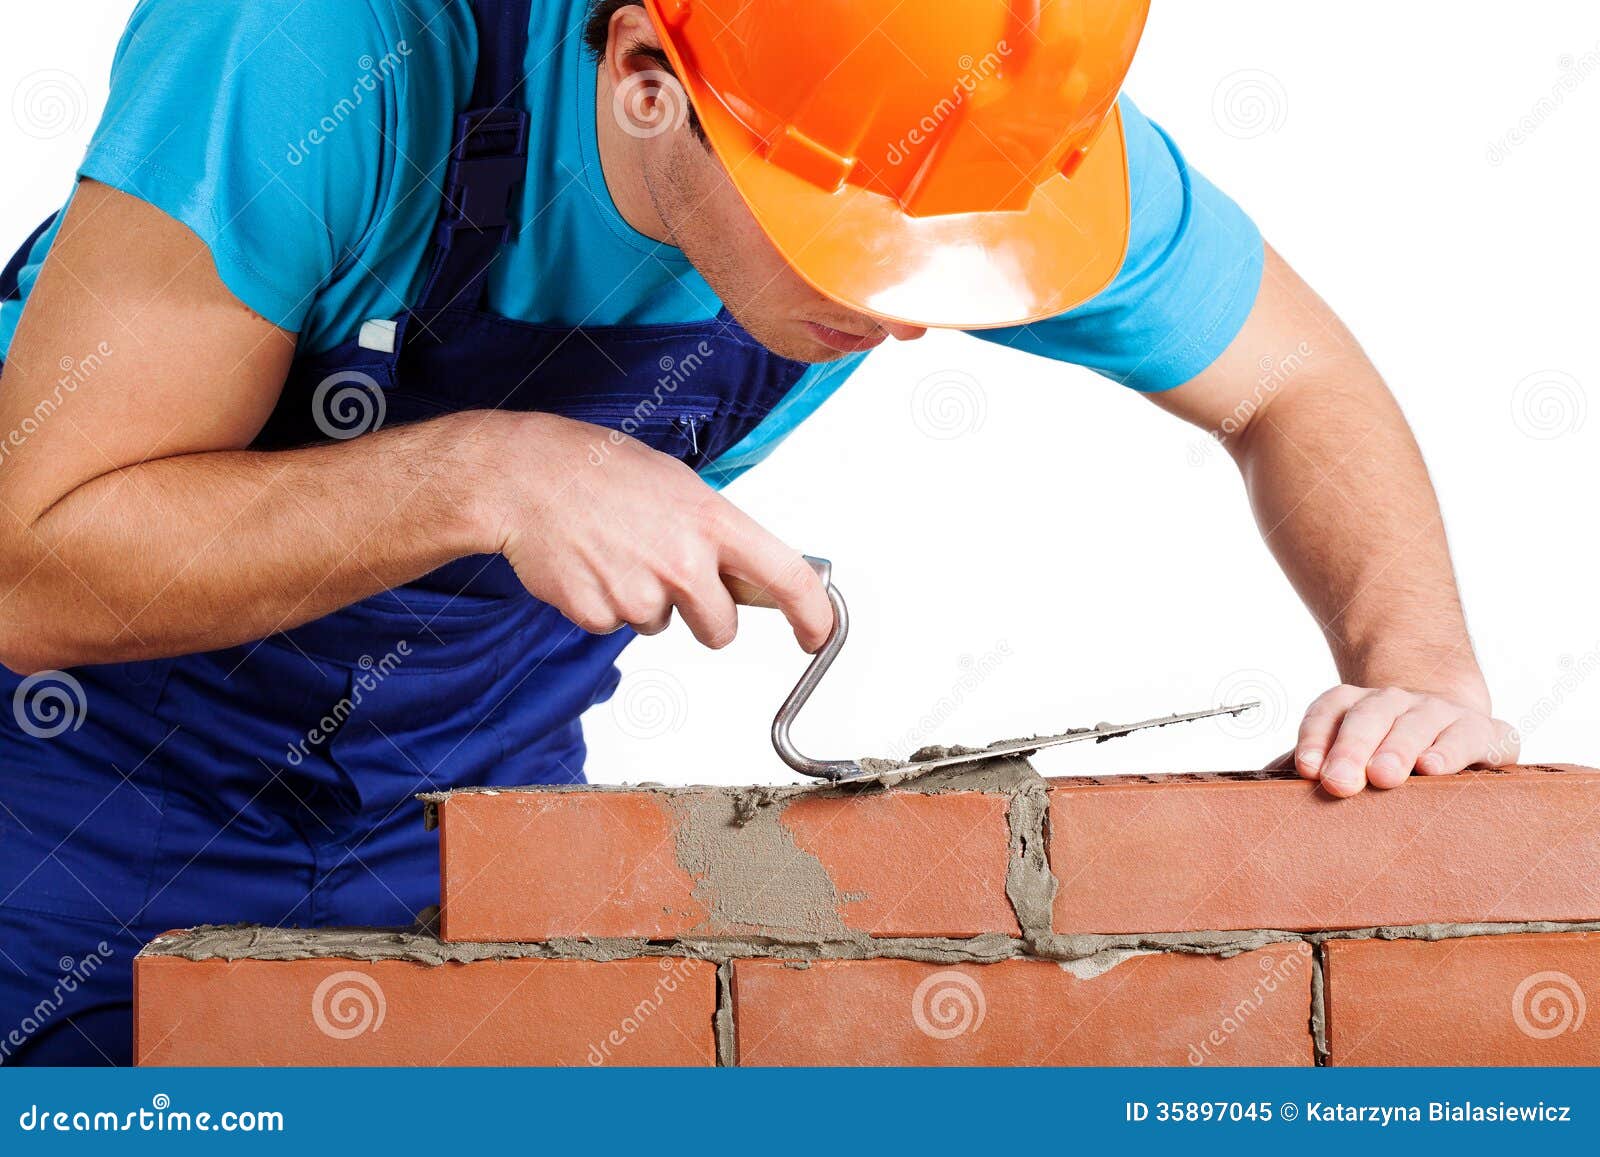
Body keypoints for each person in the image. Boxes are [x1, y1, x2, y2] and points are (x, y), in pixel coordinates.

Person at [0, 0, 1514, 1064]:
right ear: (644, 74)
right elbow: (31, 562)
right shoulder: (317, 50)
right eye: (852, 246)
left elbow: (1297, 384)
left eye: (958, 259)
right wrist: (484, 474)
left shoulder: (979, 122)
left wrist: (1422, 673)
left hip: (455, 832)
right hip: (59, 818)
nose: (910, 314)